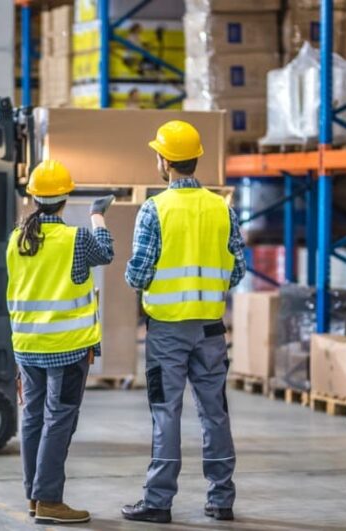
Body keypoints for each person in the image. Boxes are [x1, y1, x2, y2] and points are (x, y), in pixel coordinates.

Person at [120, 120, 246, 524]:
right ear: (196, 159)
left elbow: (138, 275)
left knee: (166, 411)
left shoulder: (154, 210)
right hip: (211, 328)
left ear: (164, 160)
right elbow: (238, 269)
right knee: (215, 411)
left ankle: (159, 501)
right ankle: (221, 499)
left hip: (168, 331)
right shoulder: (221, 208)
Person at [6, 159, 115, 525]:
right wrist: (98, 215)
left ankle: (34, 497)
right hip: (67, 348)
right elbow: (107, 253)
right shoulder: (76, 238)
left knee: (34, 419)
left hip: (27, 346)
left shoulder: (17, 240)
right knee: (59, 421)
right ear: (66, 198)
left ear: (33, 197)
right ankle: (50, 499)